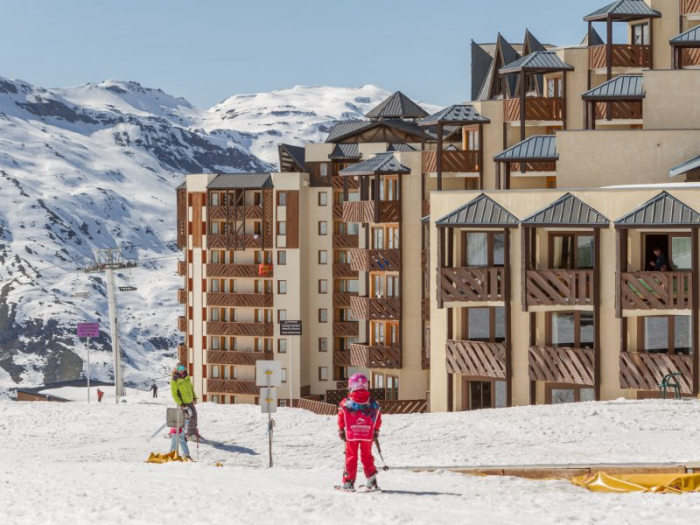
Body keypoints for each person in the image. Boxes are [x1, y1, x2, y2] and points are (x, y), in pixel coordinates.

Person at [337, 373, 382, 491]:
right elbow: (377, 417)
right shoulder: (373, 403)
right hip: (367, 434)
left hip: (352, 434)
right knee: (367, 456)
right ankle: (372, 481)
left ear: (351, 386)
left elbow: (341, 416)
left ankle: (349, 482)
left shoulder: (346, 402)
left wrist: (341, 430)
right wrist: (376, 430)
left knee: (351, 457)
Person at [171, 363, 198, 438]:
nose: (181, 370)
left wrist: (194, 397)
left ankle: (192, 432)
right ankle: (190, 434)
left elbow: (190, 388)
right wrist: (180, 403)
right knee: (191, 417)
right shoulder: (175, 379)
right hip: (184, 403)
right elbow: (174, 394)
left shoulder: (186, 376)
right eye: (179, 368)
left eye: (182, 368)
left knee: (193, 416)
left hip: (189, 400)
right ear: (176, 369)